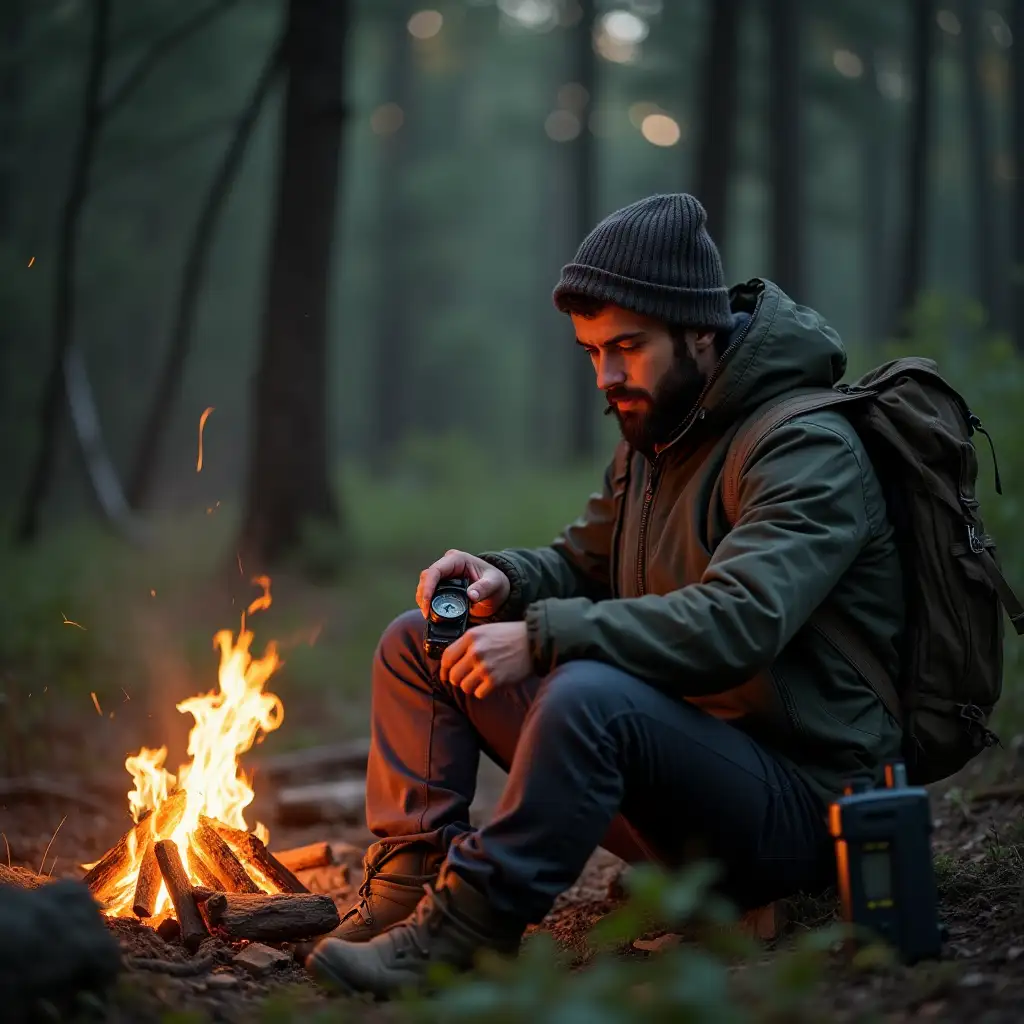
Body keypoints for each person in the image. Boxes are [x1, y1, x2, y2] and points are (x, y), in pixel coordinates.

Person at [306, 193, 905, 998]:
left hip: (804, 809)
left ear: (701, 332)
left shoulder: (804, 447)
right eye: (592, 351)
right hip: (681, 776)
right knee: (422, 640)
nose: (609, 375)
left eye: (628, 347)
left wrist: (545, 635)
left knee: (591, 693)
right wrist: (505, 579)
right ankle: (407, 895)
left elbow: (740, 620)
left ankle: (464, 937)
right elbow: (582, 563)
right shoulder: (657, 438)